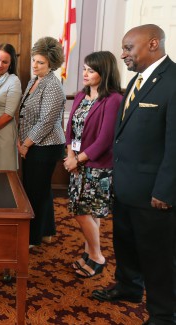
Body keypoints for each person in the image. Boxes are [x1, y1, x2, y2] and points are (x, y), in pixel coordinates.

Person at [91, 24, 176, 325]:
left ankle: (164, 314)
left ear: (153, 44)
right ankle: (128, 287)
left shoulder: (172, 81)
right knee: (125, 244)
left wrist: (166, 191)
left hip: (154, 193)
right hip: (125, 186)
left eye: (129, 47)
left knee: (157, 257)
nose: (123, 54)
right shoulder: (137, 80)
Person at [63, 51, 122, 278]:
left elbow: (105, 139)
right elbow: (70, 129)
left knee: (81, 211)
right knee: (88, 211)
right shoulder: (81, 95)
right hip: (76, 163)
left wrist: (77, 159)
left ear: (103, 73)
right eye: (85, 68)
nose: (85, 73)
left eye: (91, 70)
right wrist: (70, 156)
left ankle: (97, 256)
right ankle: (88, 253)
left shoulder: (113, 99)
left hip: (97, 166)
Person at [17, 37, 66, 247]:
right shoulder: (34, 80)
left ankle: (33, 238)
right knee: (41, 190)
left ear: (52, 64)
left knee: (35, 192)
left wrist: (26, 144)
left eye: (41, 62)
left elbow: (46, 121)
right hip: (33, 143)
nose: (35, 65)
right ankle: (46, 231)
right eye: (34, 61)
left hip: (45, 146)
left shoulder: (53, 85)